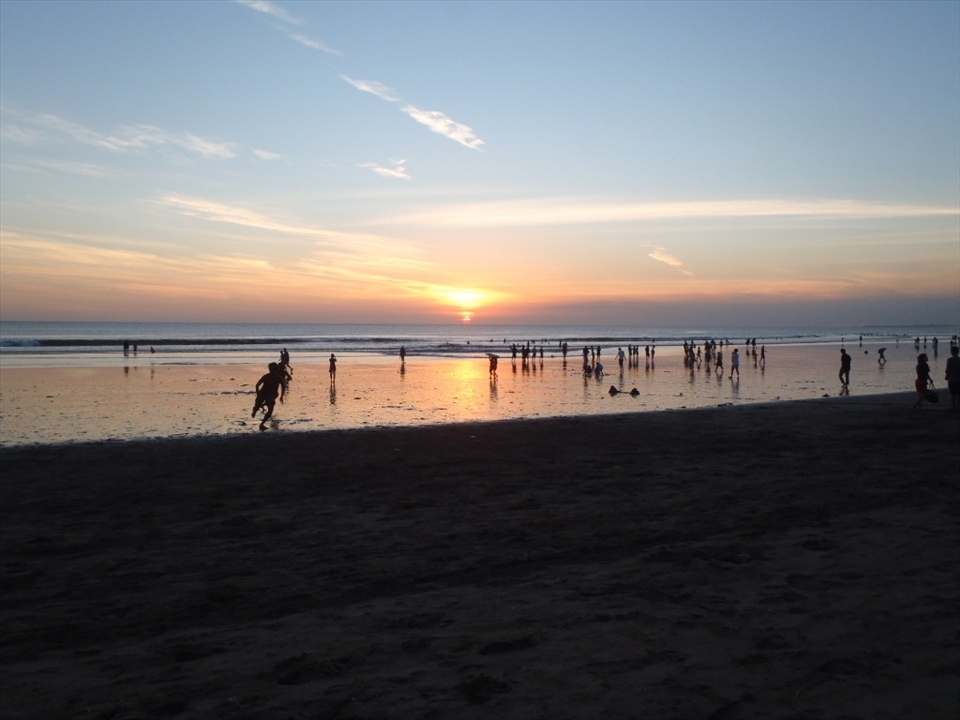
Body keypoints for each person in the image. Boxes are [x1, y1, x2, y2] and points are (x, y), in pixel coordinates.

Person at [252, 362, 285, 427]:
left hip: (270, 395)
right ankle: (255, 411)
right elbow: (257, 385)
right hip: (263, 393)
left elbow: (283, 387)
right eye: (270, 369)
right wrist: (258, 394)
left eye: (272, 369)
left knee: (270, 410)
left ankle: (262, 424)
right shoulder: (266, 376)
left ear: (276, 369)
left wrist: (281, 396)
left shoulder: (278, 378)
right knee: (257, 406)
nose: (271, 370)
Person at [946, 346, 960, 411]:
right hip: (958, 378)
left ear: (952, 352)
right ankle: (957, 406)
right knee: (958, 393)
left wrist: (946, 376)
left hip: (951, 378)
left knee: (953, 393)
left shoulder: (950, 360)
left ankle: (953, 406)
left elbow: (948, 369)